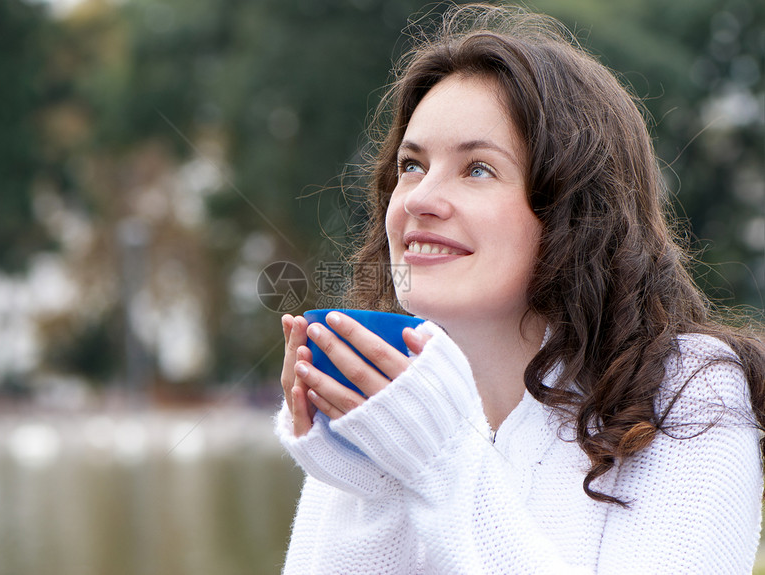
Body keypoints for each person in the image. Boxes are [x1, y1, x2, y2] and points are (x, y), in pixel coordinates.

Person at [275, 4, 765, 573]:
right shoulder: (380, 404)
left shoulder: (690, 394)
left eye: (477, 168)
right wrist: (377, 478)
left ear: (572, 211)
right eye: (411, 166)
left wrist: (436, 457)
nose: (418, 200)